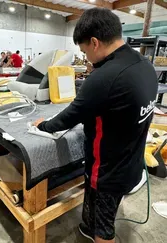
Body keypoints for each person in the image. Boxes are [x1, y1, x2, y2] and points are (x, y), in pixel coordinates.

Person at [33, 8, 158, 243]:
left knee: (104, 228)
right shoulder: (144, 66)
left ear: (94, 42)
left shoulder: (104, 77)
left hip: (107, 173)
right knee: (99, 215)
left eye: (84, 51)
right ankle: (87, 229)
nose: (86, 58)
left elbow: (68, 117)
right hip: (130, 163)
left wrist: (43, 126)